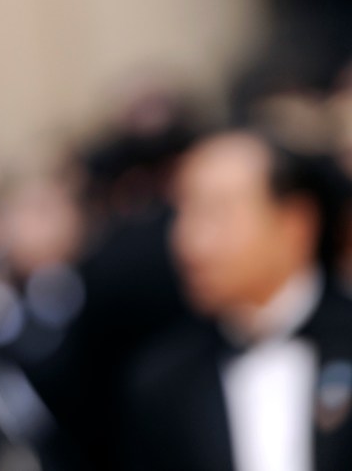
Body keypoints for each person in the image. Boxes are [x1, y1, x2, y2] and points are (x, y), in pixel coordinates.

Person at [118, 126, 352, 471]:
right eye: (182, 212)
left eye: (217, 212)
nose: (189, 242)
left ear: (295, 223)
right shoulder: (163, 382)